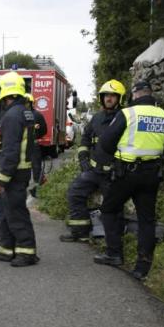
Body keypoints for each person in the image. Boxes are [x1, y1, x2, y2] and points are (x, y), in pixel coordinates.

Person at [93, 81, 164, 280]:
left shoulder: (128, 114)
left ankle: (114, 254)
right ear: (150, 95)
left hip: (126, 174)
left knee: (109, 209)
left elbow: (105, 143)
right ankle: (142, 268)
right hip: (152, 175)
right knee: (146, 220)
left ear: (136, 94)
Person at [60, 79, 126, 242]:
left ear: (120, 99)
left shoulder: (125, 118)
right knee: (75, 192)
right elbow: (85, 140)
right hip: (94, 171)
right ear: (101, 98)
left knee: (113, 206)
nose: (109, 99)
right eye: (106, 96)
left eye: (113, 96)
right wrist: (83, 160)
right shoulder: (96, 118)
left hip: (113, 173)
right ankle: (79, 231)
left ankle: (114, 238)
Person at [0, 71, 38, 267]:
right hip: (20, 170)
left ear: (6, 91)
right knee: (2, 212)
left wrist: (2, 180)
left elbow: (11, 151)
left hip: (14, 173)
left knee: (16, 213)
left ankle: (27, 253)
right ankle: (6, 250)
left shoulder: (11, 116)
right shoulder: (25, 112)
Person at [24, 93, 48, 189]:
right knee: (36, 166)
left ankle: (27, 185)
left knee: (26, 166)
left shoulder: (19, 114)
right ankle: (38, 187)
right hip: (33, 144)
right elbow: (44, 130)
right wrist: (37, 136)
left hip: (23, 145)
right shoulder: (37, 115)